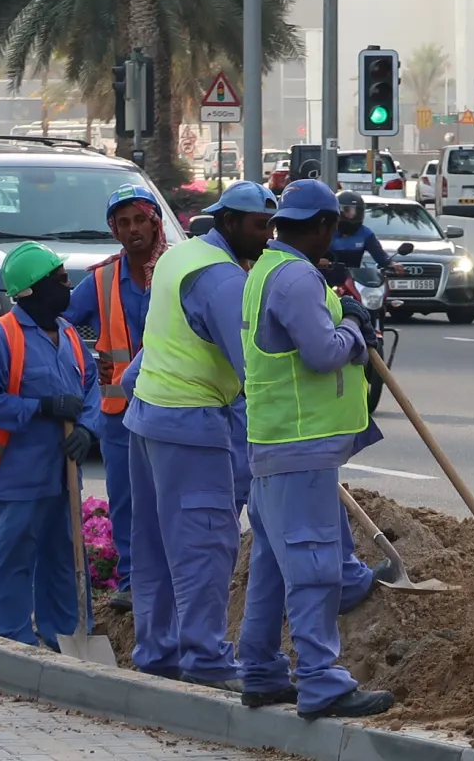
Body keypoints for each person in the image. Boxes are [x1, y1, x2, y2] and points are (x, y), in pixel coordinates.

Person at [236, 180, 396, 720]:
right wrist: (354, 327)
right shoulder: (296, 278)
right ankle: (322, 682)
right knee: (312, 565)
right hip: (297, 446)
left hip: (275, 445)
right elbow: (324, 352)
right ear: (327, 225)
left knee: (272, 568)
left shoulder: (264, 271)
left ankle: (259, 670)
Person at [119, 181, 274, 689]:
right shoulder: (223, 281)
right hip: (190, 423)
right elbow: (252, 367)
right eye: (259, 225)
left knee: (156, 545)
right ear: (229, 222)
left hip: (147, 416)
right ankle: (206, 659)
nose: (268, 235)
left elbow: (158, 341)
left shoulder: (176, 257)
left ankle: (157, 651)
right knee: (204, 543)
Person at [0, 242, 103, 649]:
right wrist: (40, 407)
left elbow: (90, 390)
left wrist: (88, 429)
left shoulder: (69, 335)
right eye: (60, 281)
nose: (68, 287)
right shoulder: (2, 337)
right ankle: (11, 638)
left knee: (63, 556)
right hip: (17, 472)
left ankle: (63, 634)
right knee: (16, 554)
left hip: (62, 473)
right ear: (32, 290)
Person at [62, 184, 165, 611]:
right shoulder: (102, 279)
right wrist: (88, 359)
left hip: (169, 405)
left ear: (155, 222)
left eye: (140, 219)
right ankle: (131, 582)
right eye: (123, 223)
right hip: (118, 411)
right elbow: (60, 326)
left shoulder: (178, 269)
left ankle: (168, 579)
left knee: (168, 499)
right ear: (114, 231)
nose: (133, 229)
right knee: (126, 500)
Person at [323, 191, 404, 282]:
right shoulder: (326, 231)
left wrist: (391, 264)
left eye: (356, 211)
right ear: (338, 211)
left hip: (353, 282)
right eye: (348, 210)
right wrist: (320, 262)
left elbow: (379, 255)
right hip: (324, 280)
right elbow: (309, 254)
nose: (352, 215)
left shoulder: (365, 233)